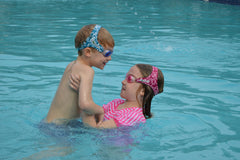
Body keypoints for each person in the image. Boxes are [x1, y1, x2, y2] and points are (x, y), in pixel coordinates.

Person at [46, 24, 115, 124]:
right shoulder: (87, 70)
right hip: (62, 129)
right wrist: (101, 110)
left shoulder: (71, 65)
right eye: (107, 53)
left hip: (48, 123)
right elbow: (85, 104)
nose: (109, 58)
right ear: (88, 52)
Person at [70, 64, 164, 128]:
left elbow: (96, 129)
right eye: (125, 77)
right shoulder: (116, 103)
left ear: (143, 90)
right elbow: (96, 115)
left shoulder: (133, 116)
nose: (123, 81)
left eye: (130, 78)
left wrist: (83, 95)